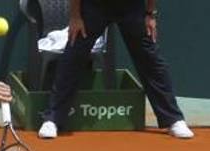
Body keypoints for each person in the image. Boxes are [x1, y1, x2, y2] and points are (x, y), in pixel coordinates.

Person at [39, 0, 193, 139]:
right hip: (94, 6)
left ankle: (173, 119)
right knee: (73, 55)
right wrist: (75, 17)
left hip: (131, 7)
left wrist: (150, 14)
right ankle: (52, 118)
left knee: (150, 58)